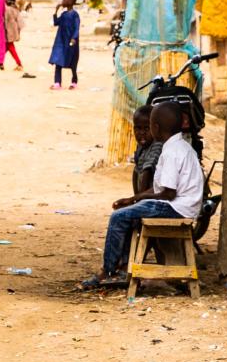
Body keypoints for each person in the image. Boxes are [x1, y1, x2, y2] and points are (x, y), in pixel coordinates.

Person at [81, 103, 204, 289]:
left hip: (175, 208)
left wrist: (141, 202)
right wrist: (134, 199)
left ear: (155, 128)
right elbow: (161, 188)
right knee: (128, 214)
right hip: (183, 205)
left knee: (118, 217)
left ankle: (107, 271)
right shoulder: (182, 146)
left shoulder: (171, 152)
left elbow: (168, 194)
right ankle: (122, 268)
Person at [49, 0, 81, 89]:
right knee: (58, 60)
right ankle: (57, 83)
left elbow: (77, 28)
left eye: (65, 0)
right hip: (61, 41)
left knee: (72, 62)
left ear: (71, 2)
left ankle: (74, 82)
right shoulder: (63, 14)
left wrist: (74, 38)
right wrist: (56, 11)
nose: (63, 1)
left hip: (71, 41)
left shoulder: (75, 15)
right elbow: (55, 23)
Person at [130, 106, 161, 194]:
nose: (142, 133)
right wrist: (136, 197)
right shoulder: (141, 146)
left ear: (155, 128)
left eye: (147, 129)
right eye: (138, 128)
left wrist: (139, 198)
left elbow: (147, 172)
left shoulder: (157, 145)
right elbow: (136, 170)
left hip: (153, 196)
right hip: (142, 194)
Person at [3, 0, 32, 77]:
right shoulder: (15, 9)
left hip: (8, 32)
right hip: (13, 31)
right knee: (7, 47)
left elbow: (4, 20)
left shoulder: (7, 9)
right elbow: (21, 22)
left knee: (9, 47)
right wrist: (18, 31)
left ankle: (18, 64)